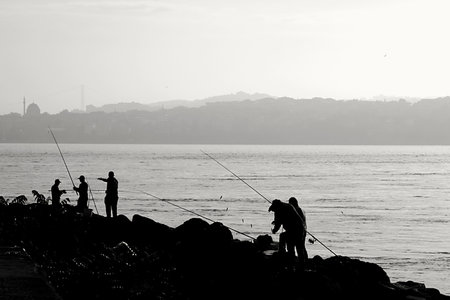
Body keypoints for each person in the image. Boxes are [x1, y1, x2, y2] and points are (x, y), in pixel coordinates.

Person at [268, 199, 306, 264]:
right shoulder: (288, 206)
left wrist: (274, 230)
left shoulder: (278, 210)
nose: (273, 212)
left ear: (275, 207)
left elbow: (278, 224)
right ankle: (301, 264)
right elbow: (287, 218)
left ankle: (286, 257)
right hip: (301, 229)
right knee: (299, 248)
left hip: (293, 230)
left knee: (290, 246)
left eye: (273, 210)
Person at [288, 197, 308, 263]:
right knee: (302, 247)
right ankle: (305, 261)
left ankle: (298, 262)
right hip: (303, 231)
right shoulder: (302, 210)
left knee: (297, 248)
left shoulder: (296, 210)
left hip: (297, 232)